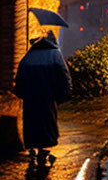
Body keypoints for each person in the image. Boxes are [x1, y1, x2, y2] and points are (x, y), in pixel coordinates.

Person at [13, 31, 72, 168]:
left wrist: (21, 93)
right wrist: (63, 95)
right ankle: (43, 153)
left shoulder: (28, 57)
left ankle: (32, 150)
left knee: (31, 124)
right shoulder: (55, 55)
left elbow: (19, 79)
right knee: (47, 124)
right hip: (48, 98)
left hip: (30, 98)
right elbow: (64, 77)